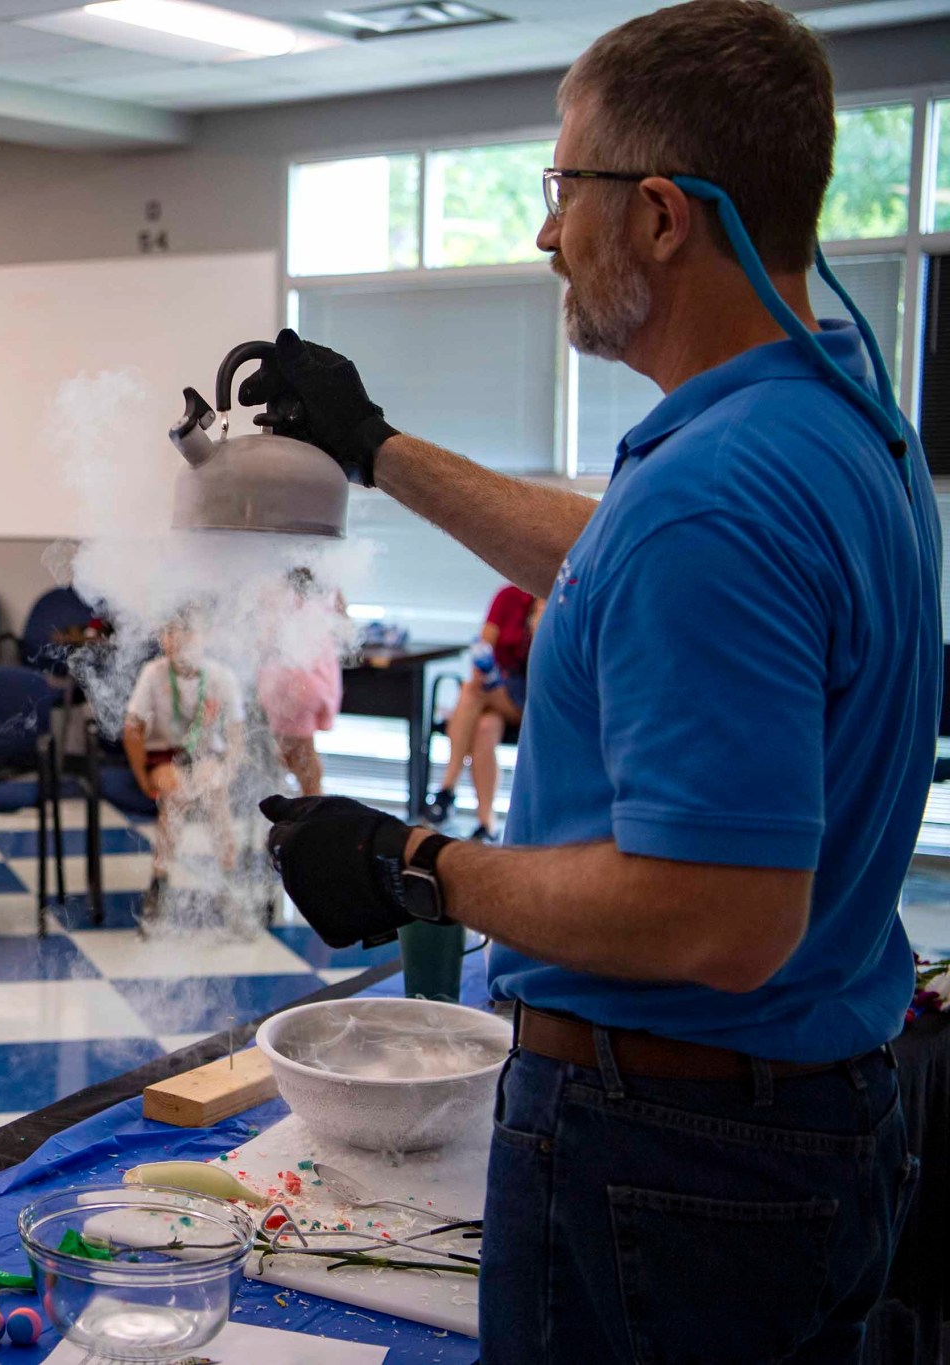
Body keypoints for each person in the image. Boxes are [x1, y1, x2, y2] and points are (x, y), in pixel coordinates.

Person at [254, 6, 933, 1358]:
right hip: (798, 1118)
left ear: (665, 215)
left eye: (565, 190)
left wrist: (418, 861)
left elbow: (720, 916)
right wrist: (374, 444)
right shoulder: (834, 422)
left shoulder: (717, 495)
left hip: (673, 1155)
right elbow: (620, 565)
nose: (548, 233)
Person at [122, 613, 246, 920]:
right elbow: (132, 728)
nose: (176, 640)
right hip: (164, 754)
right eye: (170, 633)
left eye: (187, 633)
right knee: (175, 792)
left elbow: (236, 734)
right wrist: (143, 779)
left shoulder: (220, 676)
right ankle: (160, 879)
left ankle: (227, 879)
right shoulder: (154, 673)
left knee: (216, 791)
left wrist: (228, 770)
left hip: (206, 754)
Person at [423, 586, 540, 840]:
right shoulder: (509, 596)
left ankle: (446, 788)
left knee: (471, 692)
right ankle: (486, 824)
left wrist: (537, 626)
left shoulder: (557, 598)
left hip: (534, 696)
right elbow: (484, 646)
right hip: (499, 689)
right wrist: (484, 670)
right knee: (484, 727)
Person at [256, 568, 345, 799]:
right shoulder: (326, 590)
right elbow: (343, 621)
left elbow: (264, 637)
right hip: (308, 677)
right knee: (295, 753)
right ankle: (311, 805)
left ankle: (314, 808)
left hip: (294, 682)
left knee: (300, 754)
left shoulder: (279, 595)